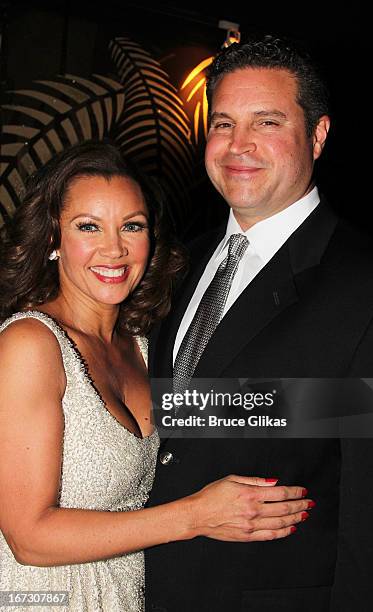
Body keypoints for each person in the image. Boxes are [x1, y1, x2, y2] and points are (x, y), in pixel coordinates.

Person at [0, 142, 312, 612]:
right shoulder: (30, 345)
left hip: (127, 596)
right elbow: (30, 538)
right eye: (89, 226)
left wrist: (367, 405)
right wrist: (199, 515)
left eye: (132, 226)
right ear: (52, 240)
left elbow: (234, 407)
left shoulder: (145, 345)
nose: (114, 248)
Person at [146, 36, 373, 611]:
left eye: (266, 122)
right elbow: (174, 420)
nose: (238, 145)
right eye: (224, 123)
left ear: (318, 135)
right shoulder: (174, 262)